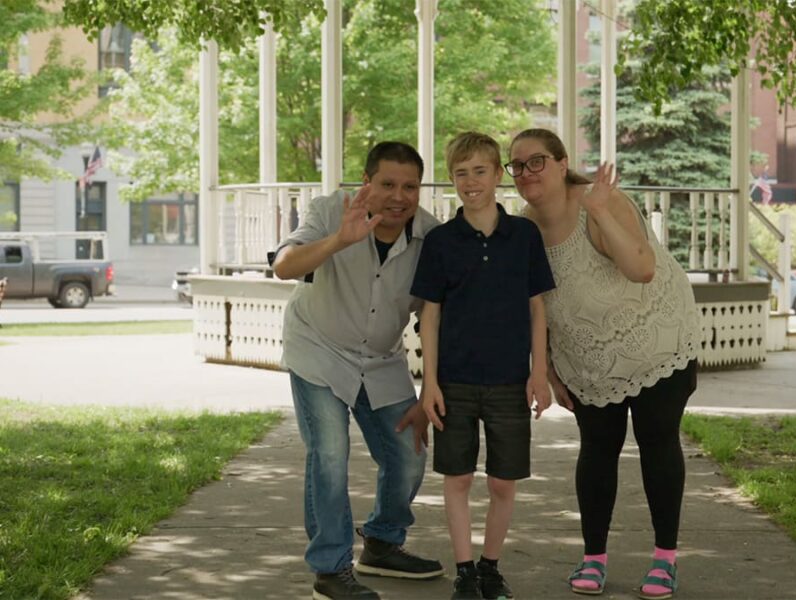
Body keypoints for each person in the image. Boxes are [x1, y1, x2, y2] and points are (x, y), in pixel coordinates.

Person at [507, 129, 700, 600]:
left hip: (657, 340)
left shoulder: (600, 202)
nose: (527, 172)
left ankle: (665, 560)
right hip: (587, 358)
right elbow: (534, 305)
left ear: (561, 163)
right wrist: (548, 368)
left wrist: (599, 212)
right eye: (517, 165)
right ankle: (593, 558)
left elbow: (642, 269)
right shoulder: (523, 229)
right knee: (597, 449)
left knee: (657, 442)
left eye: (537, 161)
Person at [272, 141, 445, 600]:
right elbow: (284, 267)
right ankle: (330, 569)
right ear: (366, 182)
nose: (399, 197)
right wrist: (338, 241)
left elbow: (435, 315)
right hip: (319, 349)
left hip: (381, 358)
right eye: (387, 184)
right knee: (330, 452)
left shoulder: (431, 237)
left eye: (410, 187)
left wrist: (429, 388)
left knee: (409, 451)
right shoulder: (331, 211)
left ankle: (383, 543)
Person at [410, 132, 555, 600]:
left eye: (479, 171)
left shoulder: (524, 236)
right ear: (452, 179)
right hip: (454, 381)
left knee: (502, 482)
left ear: (497, 175)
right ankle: (465, 572)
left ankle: (491, 568)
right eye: (461, 173)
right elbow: (430, 315)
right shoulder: (440, 241)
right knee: (457, 479)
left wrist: (539, 372)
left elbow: (537, 308)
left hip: (510, 381)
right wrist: (430, 383)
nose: (470, 181)